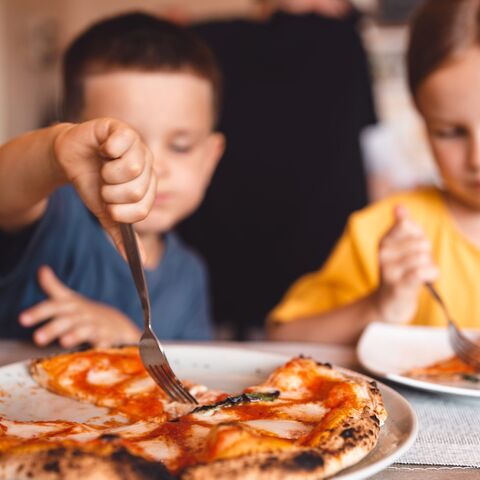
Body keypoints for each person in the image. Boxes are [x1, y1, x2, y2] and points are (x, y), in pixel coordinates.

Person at [0, 13, 224, 347]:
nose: (155, 166)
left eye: (181, 146)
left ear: (210, 158)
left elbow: (194, 378)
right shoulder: (57, 218)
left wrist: (128, 340)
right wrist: (53, 152)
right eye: (122, 143)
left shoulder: (189, 275)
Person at [268, 0, 480, 345]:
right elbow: (282, 335)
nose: (476, 158)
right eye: (450, 132)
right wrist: (380, 305)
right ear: (422, 121)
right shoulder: (387, 234)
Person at [179, 0, 376, 339]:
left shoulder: (206, 39)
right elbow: (375, 157)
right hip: (317, 268)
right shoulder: (343, 42)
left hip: (222, 268)